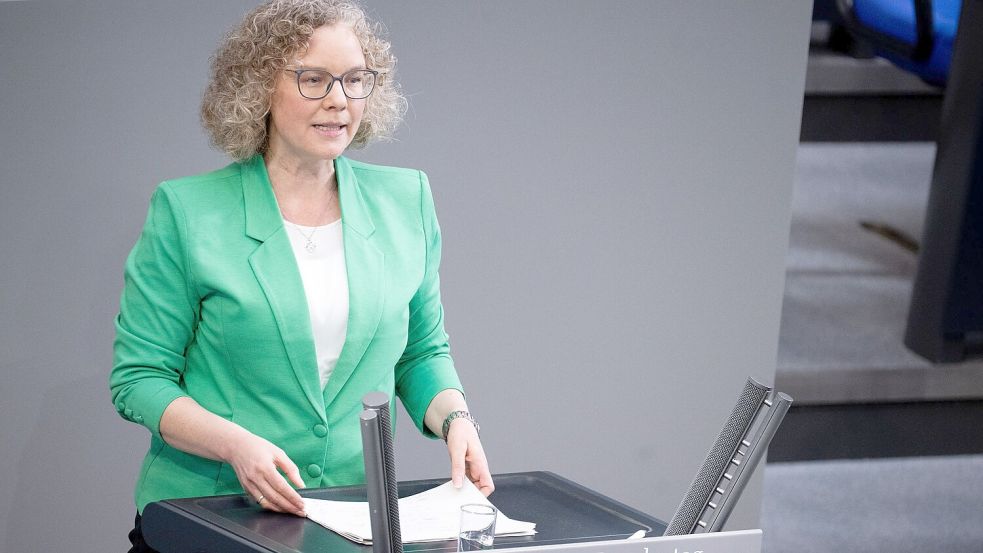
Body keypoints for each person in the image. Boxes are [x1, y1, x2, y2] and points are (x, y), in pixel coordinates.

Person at [110, 1, 492, 551]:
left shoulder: (407, 200)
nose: (339, 99)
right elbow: (139, 379)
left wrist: (457, 418)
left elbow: (420, 352)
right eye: (313, 79)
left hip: (344, 523)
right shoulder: (188, 210)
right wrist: (236, 445)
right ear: (258, 87)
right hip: (206, 518)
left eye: (355, 79)